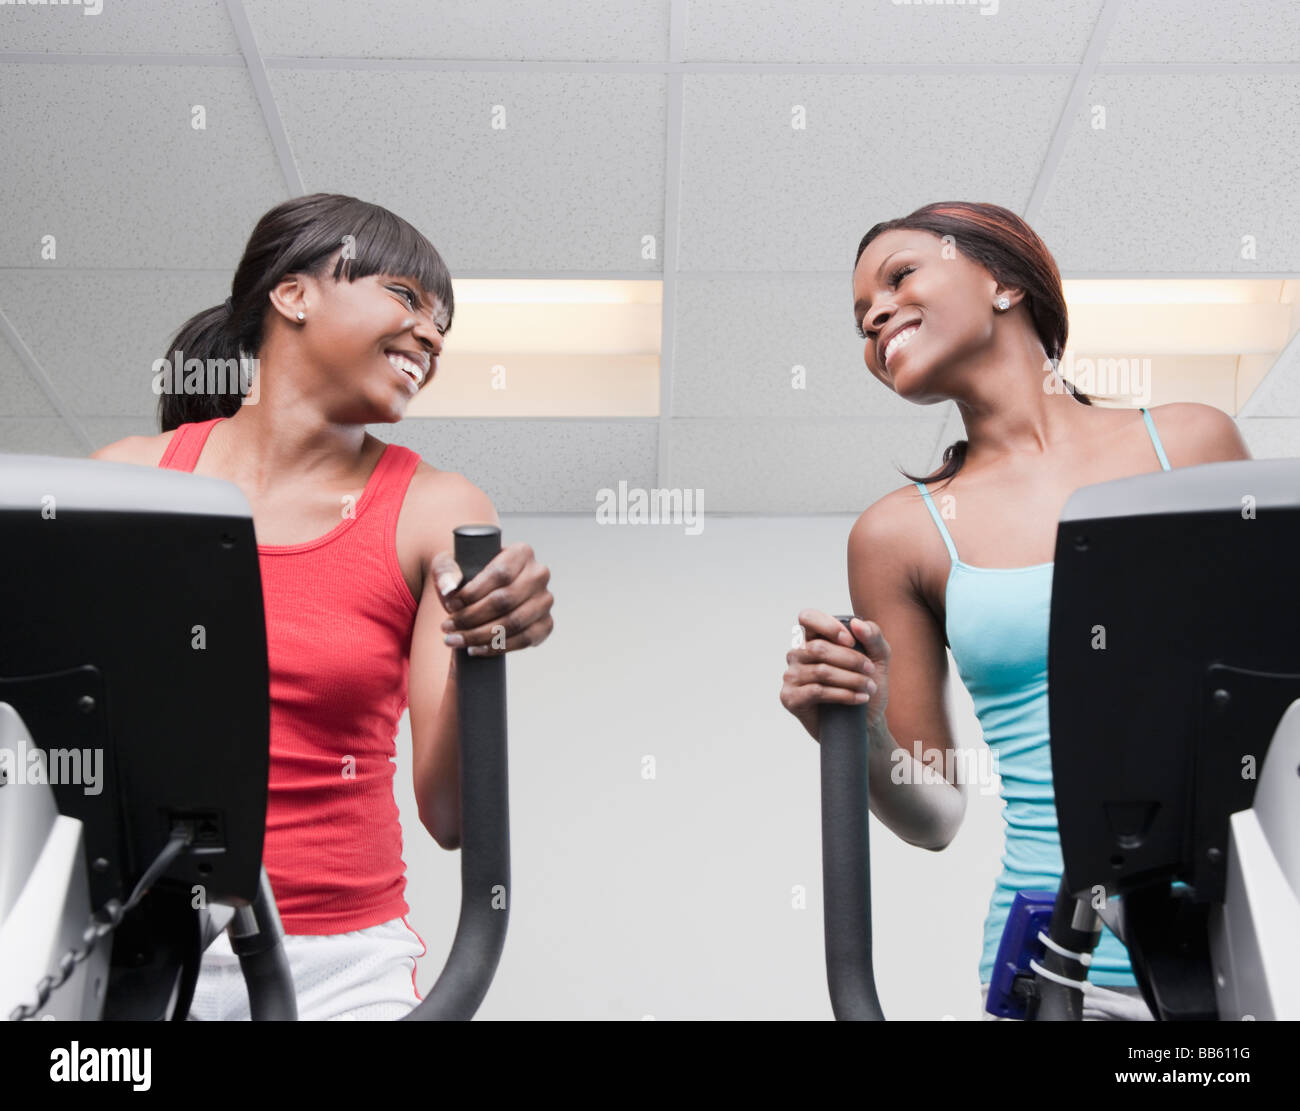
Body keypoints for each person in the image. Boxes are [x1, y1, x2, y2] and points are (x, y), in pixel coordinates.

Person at [778, 201, 1251, 1021]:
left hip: (1252, 942)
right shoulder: (899, 535)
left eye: (899, 277)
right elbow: (936, 815)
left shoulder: (1192, 445)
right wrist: (854, 725)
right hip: (1064, 970)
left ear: (1002, 280)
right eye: (862, 319)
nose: (877, 316)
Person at [91, 193, 554, 1020]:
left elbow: (449, 815)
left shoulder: (430, 508)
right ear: (293, 293)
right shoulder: (130, 480)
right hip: (135, 945)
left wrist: (483, 645)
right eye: (407, 297)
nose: (433, 335)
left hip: (336, 965)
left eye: (443, 321)